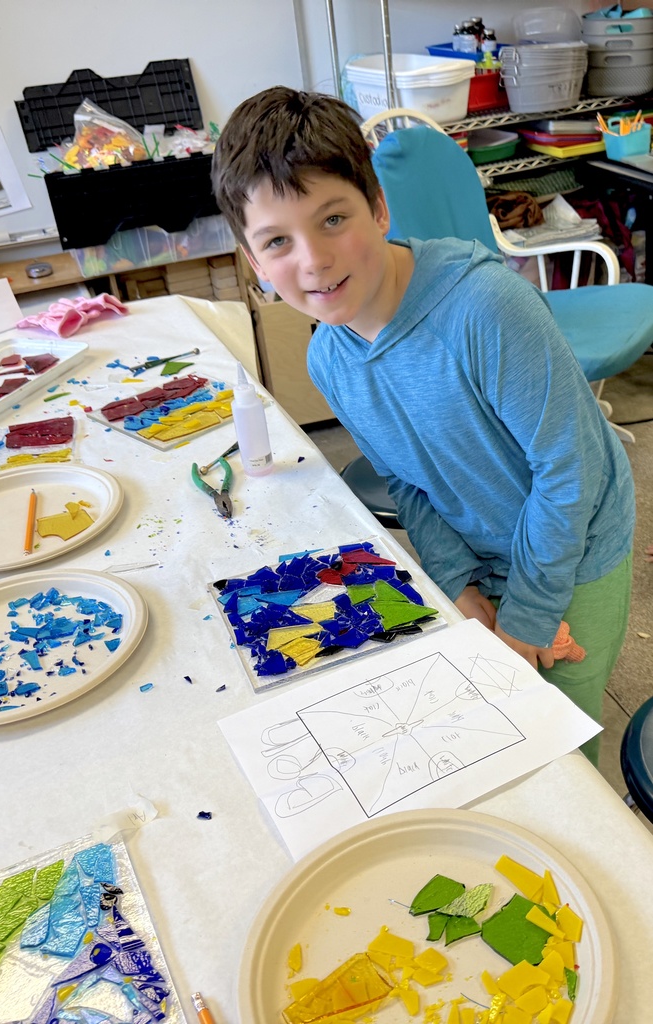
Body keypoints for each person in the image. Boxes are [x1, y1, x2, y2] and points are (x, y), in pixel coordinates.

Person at [212, 86, 635, 765]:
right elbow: (407, 486)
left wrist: (526, 618)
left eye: (331, 219)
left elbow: (570, 471)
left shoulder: (486, 308)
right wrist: (464, 592)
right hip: (479, 549)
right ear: (254, 263)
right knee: (497, 728)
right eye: (276, 241)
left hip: (575, 550)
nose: (313, 261)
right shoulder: (329, 357)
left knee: (558, 738)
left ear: (377, 208)